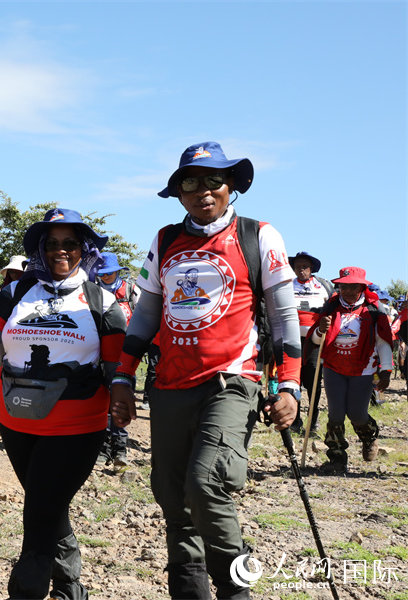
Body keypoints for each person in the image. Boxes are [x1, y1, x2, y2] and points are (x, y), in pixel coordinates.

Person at [110, 142, 300, 599]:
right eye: (189, 183)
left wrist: (289, 384)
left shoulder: (259, 235)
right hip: (169, 386)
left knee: (206, 482)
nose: (202, 191)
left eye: (213, 180)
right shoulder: (165, 240)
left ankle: (237, 590)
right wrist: (122, 376)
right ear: (178, 193)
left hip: (231, 382)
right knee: (173, 500)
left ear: (230, 185)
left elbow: (283, 316)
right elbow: (146, 315)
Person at [0, 207, 126, 599]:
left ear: (84, 249)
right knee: (49, 506)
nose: (60, 251)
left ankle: (27, 591)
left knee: (38, 517)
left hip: (76, 427)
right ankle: (70, 587)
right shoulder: (15, 292)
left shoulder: (102, 301)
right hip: (16, 422)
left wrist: (123, 398)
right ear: (40, 248)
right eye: (51, 244)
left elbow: (118, 368)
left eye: (69, 244)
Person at [309, 267, 394, 471]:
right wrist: (321, 329)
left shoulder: (374, 310)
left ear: (362, 287)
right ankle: (337, 458)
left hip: (363, 369)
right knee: (335, 414)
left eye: (352, 286)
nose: (347, 291)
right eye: (343, 286)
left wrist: (386, 370)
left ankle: (369, 436)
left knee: (357, 414)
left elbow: (383, 342)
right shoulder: (330, 308)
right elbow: (315, 340)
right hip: (334, 367)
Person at [94, 251, 138, 467]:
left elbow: (143, 319)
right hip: (98, 352)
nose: (107, 276)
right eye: (103, 273)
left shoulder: (131, 290)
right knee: (101, 400)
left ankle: (120, 449)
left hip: (125, 354)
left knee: (120, 401)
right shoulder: (91, 292)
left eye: (110, 272)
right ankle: (102, 449)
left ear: (118, 271)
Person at [289, 251, 333, 435]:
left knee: (313, 382)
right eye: (298, 266)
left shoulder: (323, 286)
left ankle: (313, 423)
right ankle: (294, 421)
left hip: (315, 341)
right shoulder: (287, 285)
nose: (301, 270)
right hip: (291, 341)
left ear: (312, 268)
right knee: (293, 382)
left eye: (305, 266)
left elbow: (331, 309)